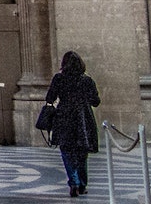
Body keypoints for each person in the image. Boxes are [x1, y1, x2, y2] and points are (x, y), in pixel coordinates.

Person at [46, 51, 100, 197]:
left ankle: (74, 181)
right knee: (82, 153)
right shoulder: (87, 80)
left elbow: (50, 98)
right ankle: (82, 184)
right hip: (83, 118)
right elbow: (96, 101)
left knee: (67, 151)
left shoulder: (59, 79)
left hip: (64, 117)